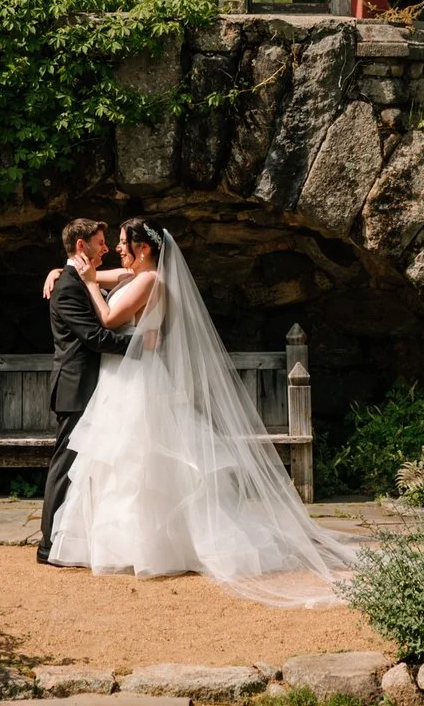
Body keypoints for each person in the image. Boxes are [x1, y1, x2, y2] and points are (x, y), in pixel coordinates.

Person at [41, 218, 359, 607]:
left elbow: (107, 320)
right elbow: (97, 274)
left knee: (139, 459)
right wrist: (62, 270)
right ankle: (124, 543)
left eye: (123, 242)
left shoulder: (149, 280)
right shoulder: (134, 275)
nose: (117, 248)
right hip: (123, 378)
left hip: (135, 379)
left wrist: (90, 284)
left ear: (143, 249)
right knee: (125, 462)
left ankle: (152, 545)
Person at [37, 218, 131, 566]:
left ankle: (75, 536)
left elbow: (126, 277)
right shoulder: (67, 288)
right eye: (101, 242)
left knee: (84, 465)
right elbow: (93, 337)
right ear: (81, 245)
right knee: (66, 463)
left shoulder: (76, 279)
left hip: (91, 385)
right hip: (75, 386)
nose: (106, 248)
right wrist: (140, 345)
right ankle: (48, 542)